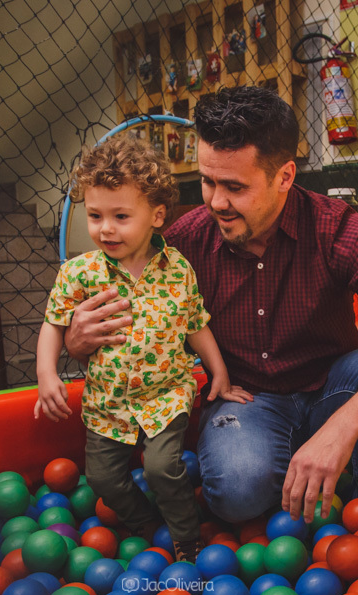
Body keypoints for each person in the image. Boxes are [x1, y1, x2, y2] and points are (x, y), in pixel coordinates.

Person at [63, 85, 358, 525]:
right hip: (245, 398)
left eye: (235, 187)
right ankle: (290, 474)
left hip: (333, 386)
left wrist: (340, 431)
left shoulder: (336, 230)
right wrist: (78, 340)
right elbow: (119, 332)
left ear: (285, 177)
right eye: (208, 181)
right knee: (236, 493)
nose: (216, 201)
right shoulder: (180, 245)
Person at [34, 136, 251, 561]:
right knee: (102, 480)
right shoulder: (80, 272)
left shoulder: (177, 270)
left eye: (120, 216)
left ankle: (187, 538)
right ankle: (144, 522)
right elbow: (54, 323)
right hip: (107, 403)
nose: (105, 228)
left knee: (162, 468)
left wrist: (219, 372)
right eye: (95, 216)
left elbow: (196, 325)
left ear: (156, 216)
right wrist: (46, 374)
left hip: (165, 397)